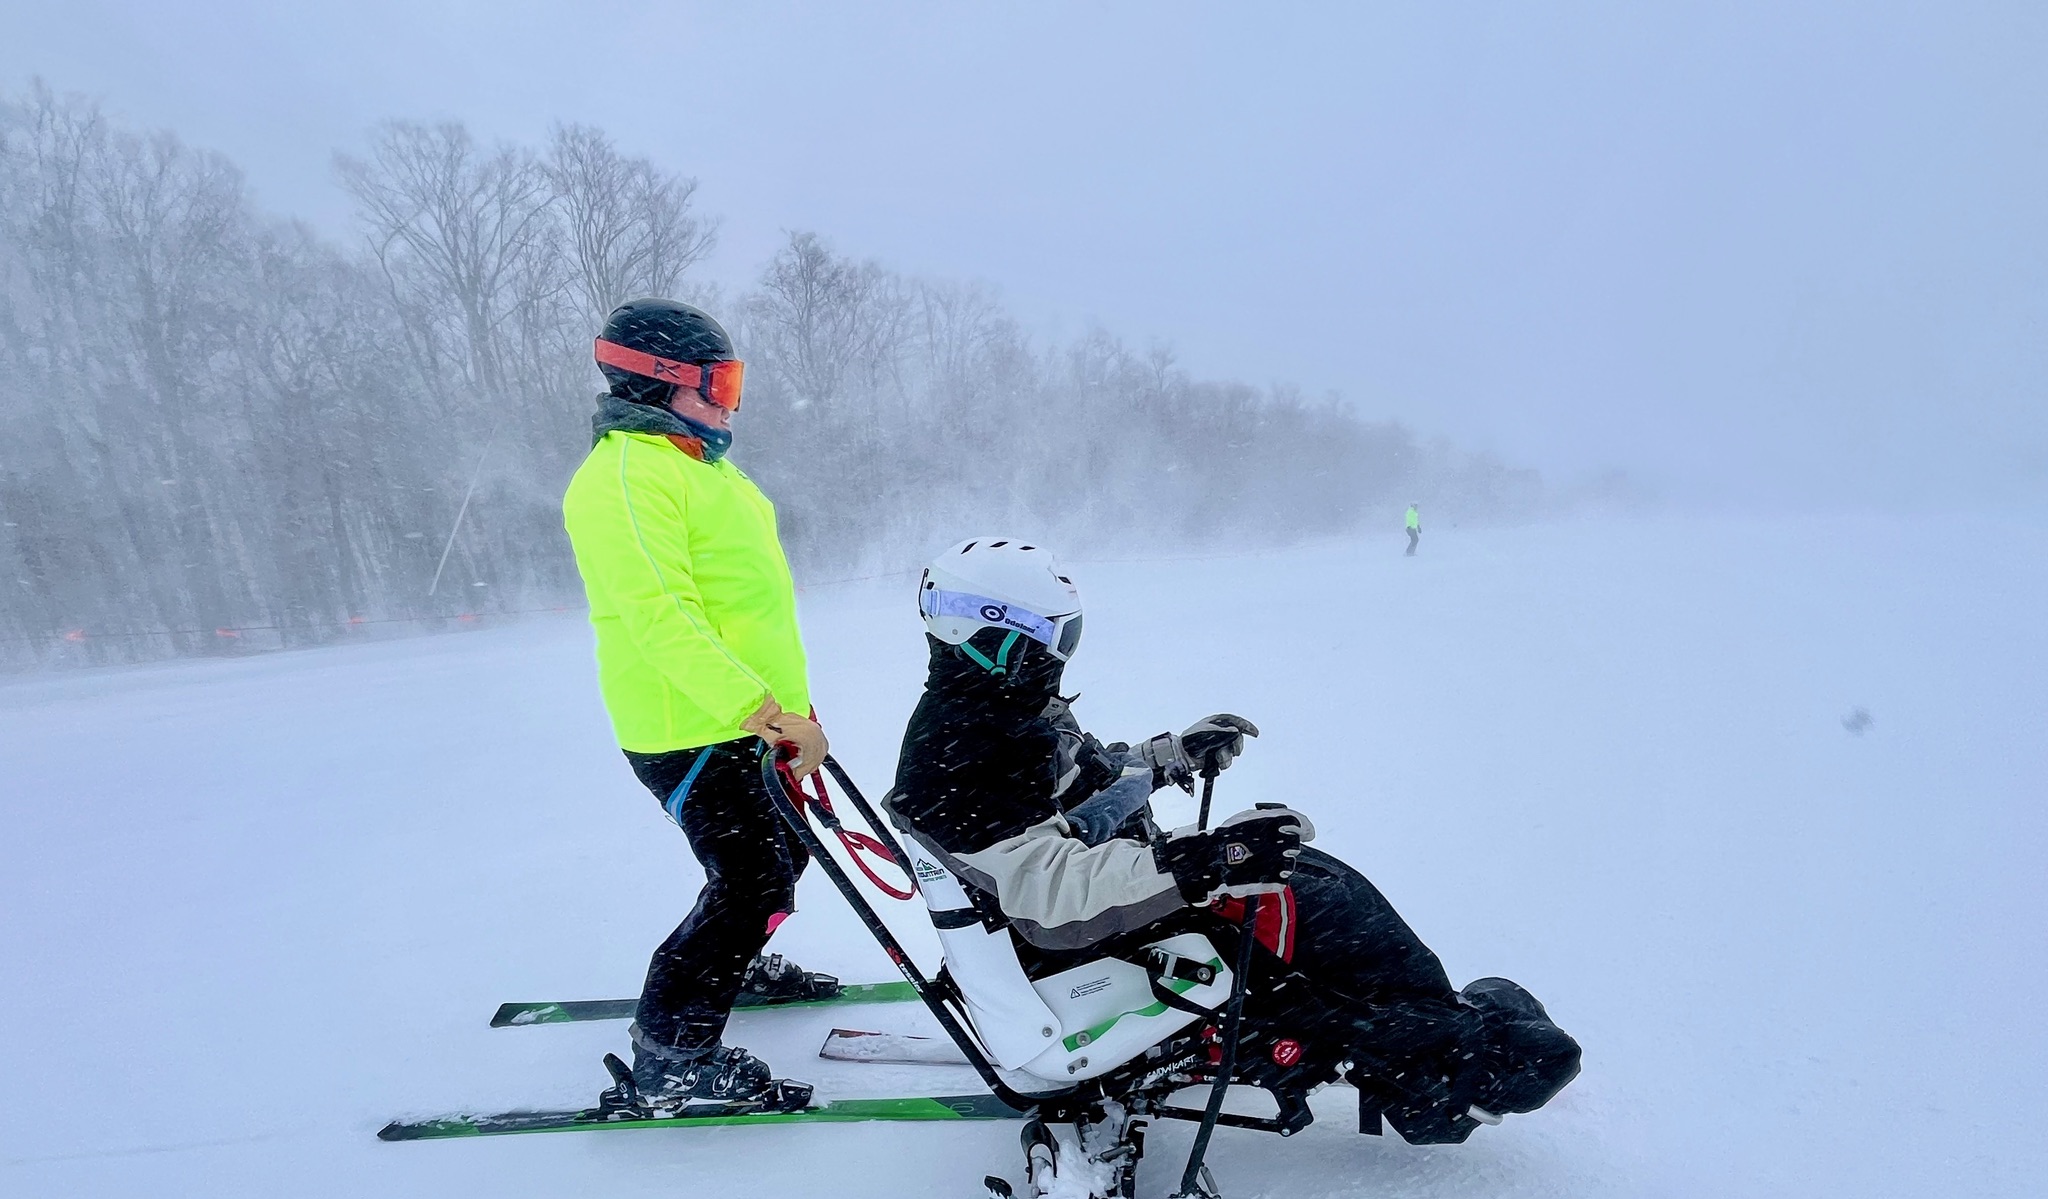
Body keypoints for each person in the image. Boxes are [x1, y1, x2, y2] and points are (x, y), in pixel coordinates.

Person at [885, 537, 1579, 1143]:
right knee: (1303, 918)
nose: (1062, 655)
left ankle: (1438, 1022)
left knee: (1314, 884)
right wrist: (1208, 860)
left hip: (1107, 910)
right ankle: (1452, 1071)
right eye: (1056, 637)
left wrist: (1170, 756)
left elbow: (1083, 790)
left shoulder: (990, 710)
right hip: (1083, 943)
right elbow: (1051, 893)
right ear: (999, 635)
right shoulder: (968, 747)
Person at [560, 298, 830, 1107]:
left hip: (745, 719)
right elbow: (660, 616)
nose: (727, 401)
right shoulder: (624, 476)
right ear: (659, 382)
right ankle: (672, 1051)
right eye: (717, 383)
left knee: (786, 858)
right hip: (687, 725)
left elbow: (750, 607)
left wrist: (797, 714)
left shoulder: (700, 466)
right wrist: (766, 710)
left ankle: (732, 965)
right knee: (751, 882)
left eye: (734, 383)